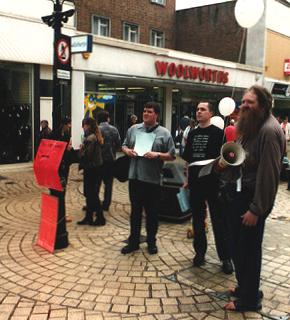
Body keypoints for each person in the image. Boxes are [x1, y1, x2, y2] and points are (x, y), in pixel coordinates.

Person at [221, 85, 285, 312]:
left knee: (248, 250)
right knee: (239, 246)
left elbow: (269, 175)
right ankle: (246, 286)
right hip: (241, 194)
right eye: (243, 101)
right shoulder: (252, 126)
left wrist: (256, 210)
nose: (244, 105)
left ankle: (249, 300)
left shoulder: (269, 131)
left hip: (252, 201)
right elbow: (243, 159)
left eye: (251, 102)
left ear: (263, 105)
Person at [182, 102, 233, 274]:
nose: (199, 112)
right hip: (196, 184)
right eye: (197, 109)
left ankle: (225, 258)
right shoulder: (193, 133)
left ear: (210, 113)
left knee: (220, 221)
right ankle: (200, 253)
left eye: (202, 109)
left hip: (213, 184)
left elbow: (226, 159)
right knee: (197, 221)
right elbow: (188, 160)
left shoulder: (219, 134)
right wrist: (187, 179)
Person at [121, 101, 176, 255]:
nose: (145, 113)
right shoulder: (133, 129)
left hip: (152, 180)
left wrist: (157, 155)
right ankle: (133, 242)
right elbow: (124, 145)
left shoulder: (164, 133)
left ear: (156, 115)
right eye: (144, 111)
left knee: (152, 214)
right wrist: (127, 151)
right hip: (135, 178)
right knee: (135, 212)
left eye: (149, 111)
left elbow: (172, 155)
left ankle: (151, 242)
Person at [49, 117, 74, 247]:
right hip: (58, 167)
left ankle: (60, 217)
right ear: (64, 125)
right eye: (68, 124)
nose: (69, 126)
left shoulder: (64, 134)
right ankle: (58, 219)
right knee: (58, 192)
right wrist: (67, 149)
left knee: (60, 192)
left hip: (63, 166)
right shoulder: (58, 134)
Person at [77, 117, 105, 226]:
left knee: (91, 194)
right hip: (96, 168)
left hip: (91, 169)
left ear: (87, 125)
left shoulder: (90, 138)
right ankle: (89, 217)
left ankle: (100, 218)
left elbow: (86, 155)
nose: (82, 127)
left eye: (83, 125)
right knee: (91, 194)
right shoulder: (95, 136)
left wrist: (81, 149)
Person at [96, 110, 121, 211]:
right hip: (110, 160)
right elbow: (119, 145)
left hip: (98, 161)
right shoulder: (114, 130)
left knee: (96, 183)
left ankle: (95, 202)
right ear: (108, 118)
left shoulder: (96, 129)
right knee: (108, 184)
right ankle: (106, 204)